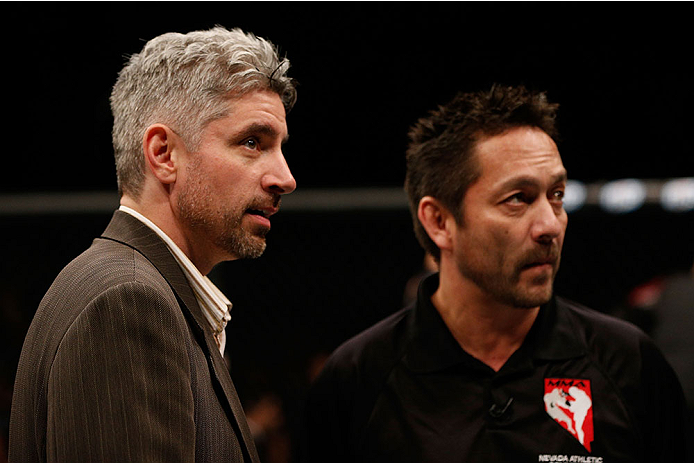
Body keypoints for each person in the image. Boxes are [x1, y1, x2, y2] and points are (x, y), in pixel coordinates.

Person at [303, 85, 687, 462]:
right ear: (439, 222)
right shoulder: (356, 380)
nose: (550, 225)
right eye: (518, 199)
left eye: (556, 195)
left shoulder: (629, 364)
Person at [10, 26, 297, 462]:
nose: (285, 177)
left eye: (279, 147)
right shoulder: (127, 302)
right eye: (252, 142)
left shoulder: (132, 289)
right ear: (163, 154)